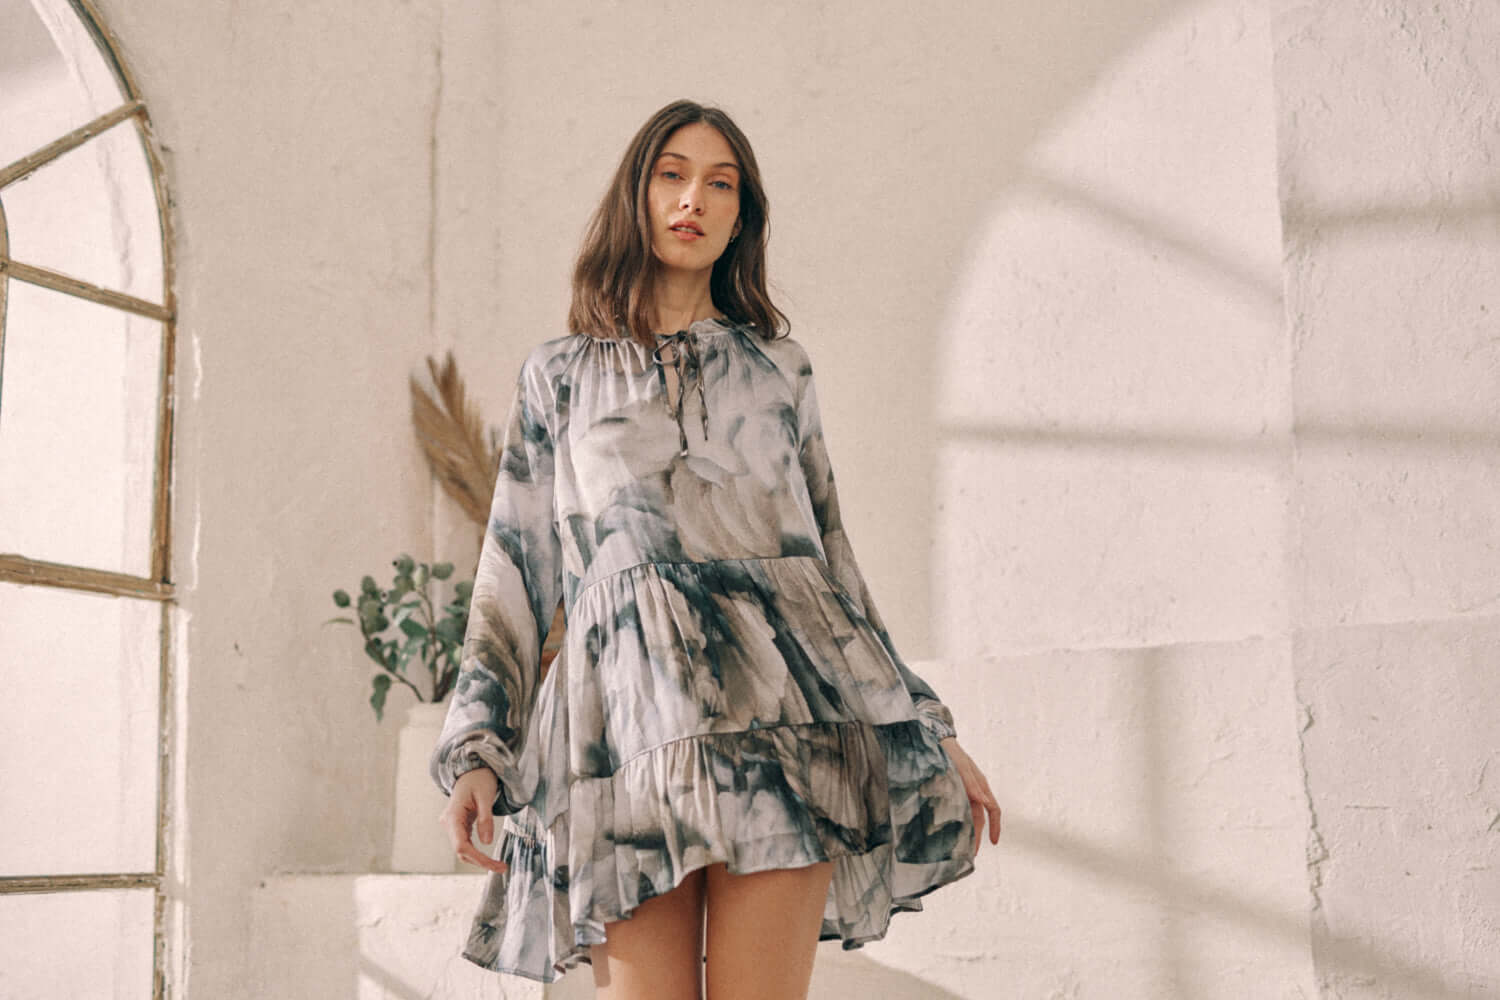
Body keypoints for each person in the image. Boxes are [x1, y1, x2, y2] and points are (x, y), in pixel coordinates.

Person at [430, 98, 1002, 999]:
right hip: (623, 739)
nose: (693, 197)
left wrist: (926, 726)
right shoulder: (561, 376)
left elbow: (831, 566)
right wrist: (476, 747)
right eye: (673, 174)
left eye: (720, 183)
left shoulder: (780, 371)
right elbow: (515, 569)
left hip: (785, 728)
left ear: (742, 216)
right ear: (639, 195)